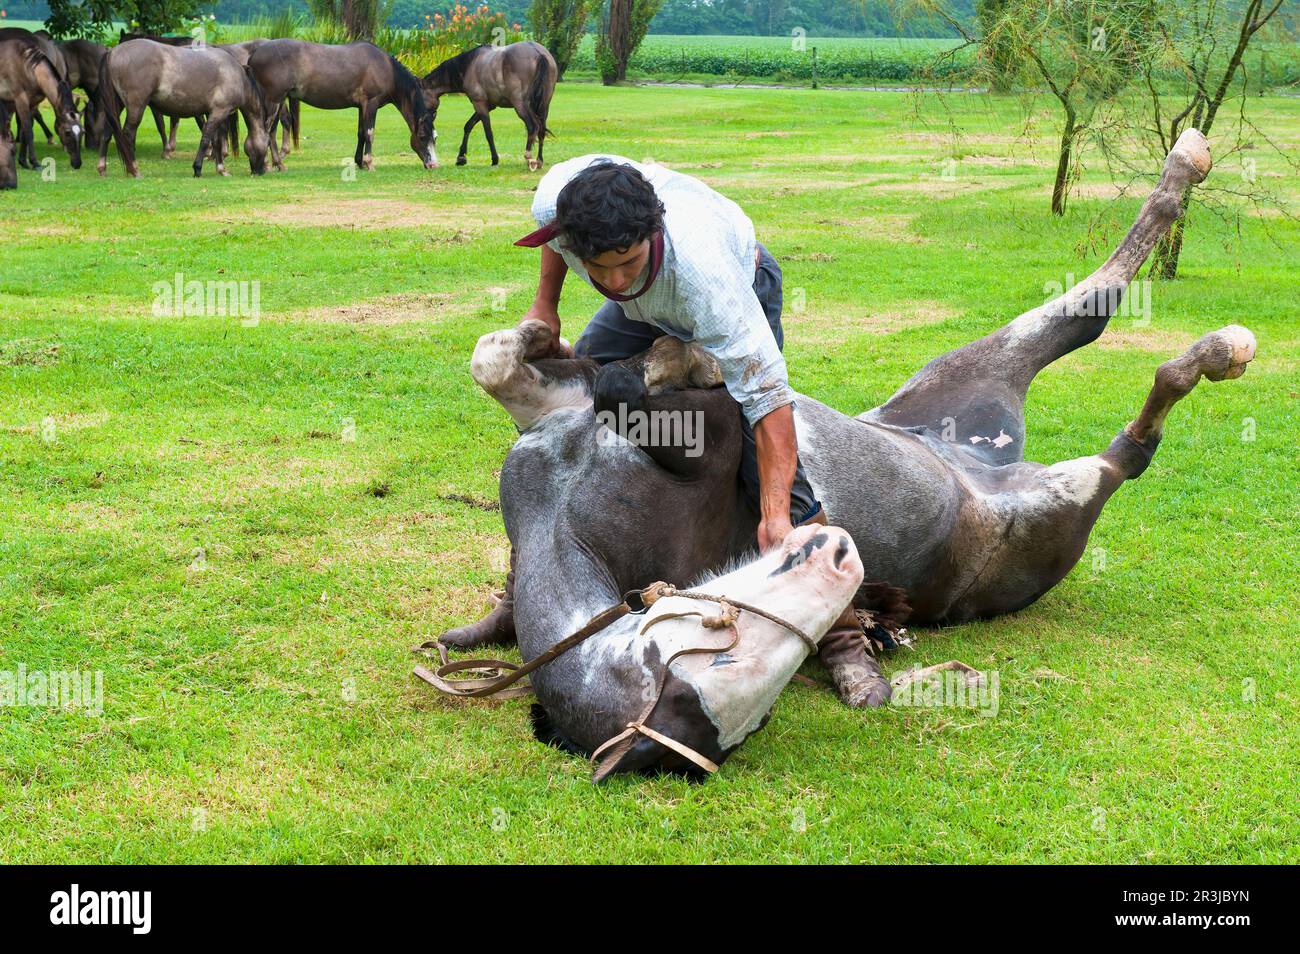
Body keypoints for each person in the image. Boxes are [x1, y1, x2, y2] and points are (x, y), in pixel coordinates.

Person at [486, 154, 886, 707]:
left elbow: (770, 404)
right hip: (642, 312)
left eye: (627, 261)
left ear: (654, 232)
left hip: (735, 284)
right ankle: (519, 599)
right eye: (599, 266)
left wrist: (773, 516)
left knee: (769, 479)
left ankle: (846, 644)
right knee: (564, 425)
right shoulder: (556, 202)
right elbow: (560, 246)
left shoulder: (709, 282)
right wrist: (545, 305)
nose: (615, 279)